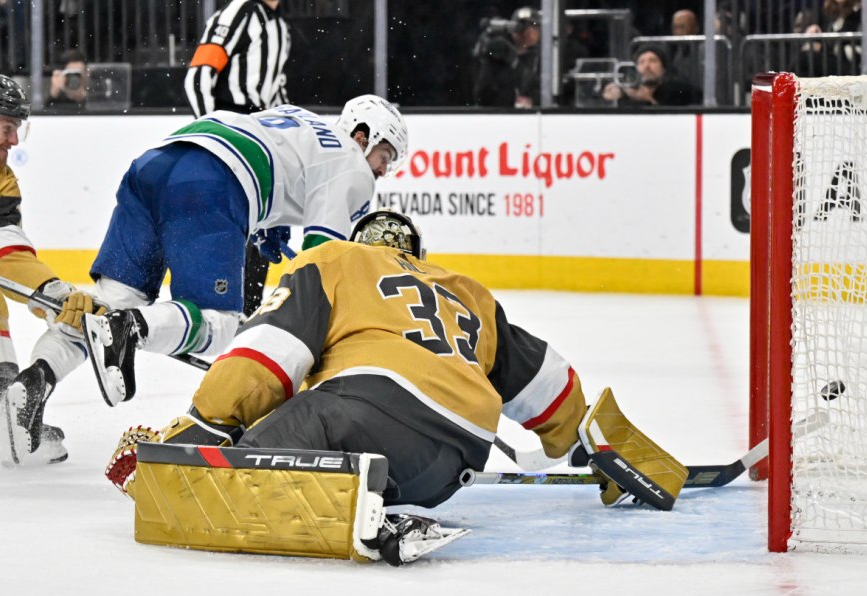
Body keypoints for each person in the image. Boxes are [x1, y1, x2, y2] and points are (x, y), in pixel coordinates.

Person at [104, 211, 688, 563]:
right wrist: (586, 446)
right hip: (453, 458)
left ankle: (332, 500)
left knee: (241, 462)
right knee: (328, 430)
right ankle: (371, 498)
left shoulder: (337, 259)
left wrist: (202, 428)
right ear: (419, 256)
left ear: (361, 241)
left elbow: (269, 352)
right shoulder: (466, 291)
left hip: (367, 409)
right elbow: (548, 382)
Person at [76, 96, 406, 409]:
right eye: (385, 157)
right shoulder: (353, 164)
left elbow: (268, 157)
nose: (382, 171)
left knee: (114, 300)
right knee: (221, 324)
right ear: (362, 136)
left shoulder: (300, 119)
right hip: (210, 179)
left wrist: (267, 222)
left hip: (158, 160)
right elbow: (324, 259)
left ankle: (39, 377)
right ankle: (132, 327)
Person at [0, 70, 100, 471]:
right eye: (7, 128)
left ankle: (3, 420)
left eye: (16, 130)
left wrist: (52, 293)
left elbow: (6, 253)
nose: (13, 140)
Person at [185, 0, 293, 317]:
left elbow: (275, 93)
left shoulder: (280, 28)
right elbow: (199, 75)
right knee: (230, 223)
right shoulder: (240, 11)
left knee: (261, 224)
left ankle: (243, 313)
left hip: (259, 134)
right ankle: (213, 308)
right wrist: (212, 134)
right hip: (230, 127)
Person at [603, 46, 702, 106]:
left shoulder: (678, 90)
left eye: (653, 61)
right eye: (642, 62)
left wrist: (649, 100)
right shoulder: (629, 91)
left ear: (664, 68)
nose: (647, 66)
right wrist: (611, 100)